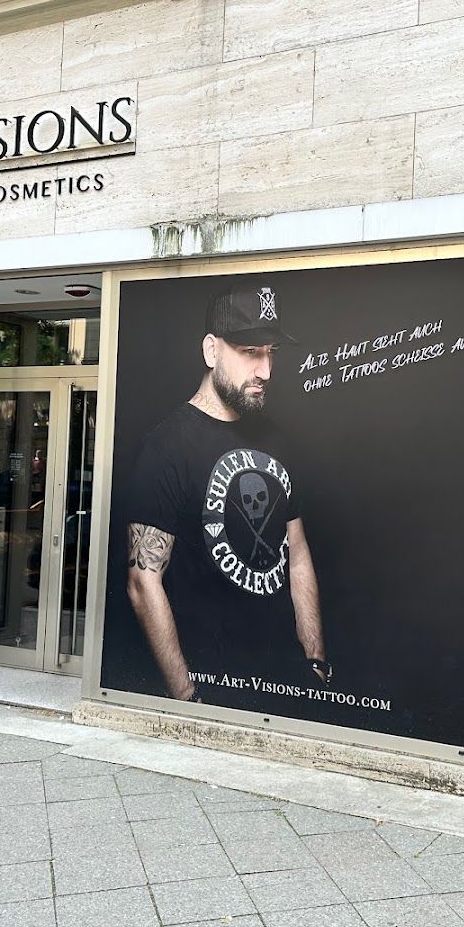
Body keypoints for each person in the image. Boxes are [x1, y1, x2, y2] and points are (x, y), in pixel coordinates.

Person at [125, 282, 331, 703]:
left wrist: (314, 659)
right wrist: (188, 699)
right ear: (211, 350)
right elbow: (143, 583)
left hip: (285, 675)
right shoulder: (167, 447)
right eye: (250, 352)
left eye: (271, 352)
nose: (266, 370)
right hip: (214, 682)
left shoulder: (275, 439)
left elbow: (297, 554)